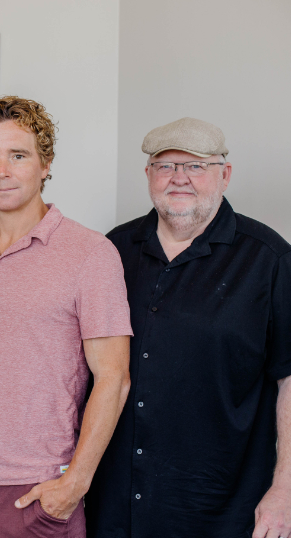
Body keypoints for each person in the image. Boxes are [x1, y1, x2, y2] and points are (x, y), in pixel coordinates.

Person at [0, 96, 132, 538]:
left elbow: (114, 379)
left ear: (45, 164)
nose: (2, 171)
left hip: (37, 489)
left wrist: (74, 485)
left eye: (17, 155)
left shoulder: (91, 253)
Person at [85, 117, 291, 538]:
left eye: (196, 166)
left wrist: (285, 490)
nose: (179, 178)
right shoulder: (111, 251)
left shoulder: (269, 259)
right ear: (148, 176)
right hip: (115, 502)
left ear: (225, 175)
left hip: (221, 507)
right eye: (165, 166)